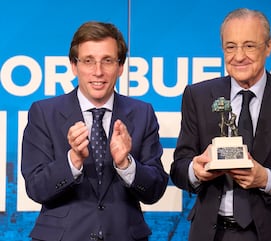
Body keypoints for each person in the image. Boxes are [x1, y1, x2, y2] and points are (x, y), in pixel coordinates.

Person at [170, 8, 271, 241]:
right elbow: (178, 168)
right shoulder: (198, 96)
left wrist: (266, 178)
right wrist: (196, 170)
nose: (239, 56)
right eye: (230, 46)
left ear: (269, 46)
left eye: (249, 45)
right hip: (212, 234)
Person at [21, 21, 168, 241]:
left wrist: (126, 164)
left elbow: (155, 190)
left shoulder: (142, 113)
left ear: (120, 67)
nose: (98, 72)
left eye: (107, 61)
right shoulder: (44, 112)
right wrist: (72, 160)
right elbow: (36, 188)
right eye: (88, 61)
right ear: (73, 65)